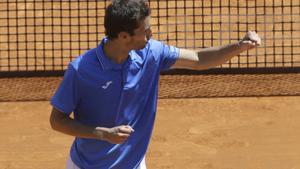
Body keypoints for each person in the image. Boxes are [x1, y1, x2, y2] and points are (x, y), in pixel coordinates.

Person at [49, 0, 261, 169]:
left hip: (134, 164)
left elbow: (198, 59)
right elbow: (57, 121)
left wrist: (239, 46)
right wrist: (103, 133)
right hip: (89, 166)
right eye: (145, 30)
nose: (151, 34)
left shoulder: (151, 53)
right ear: (124, 36)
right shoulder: (81, 70)